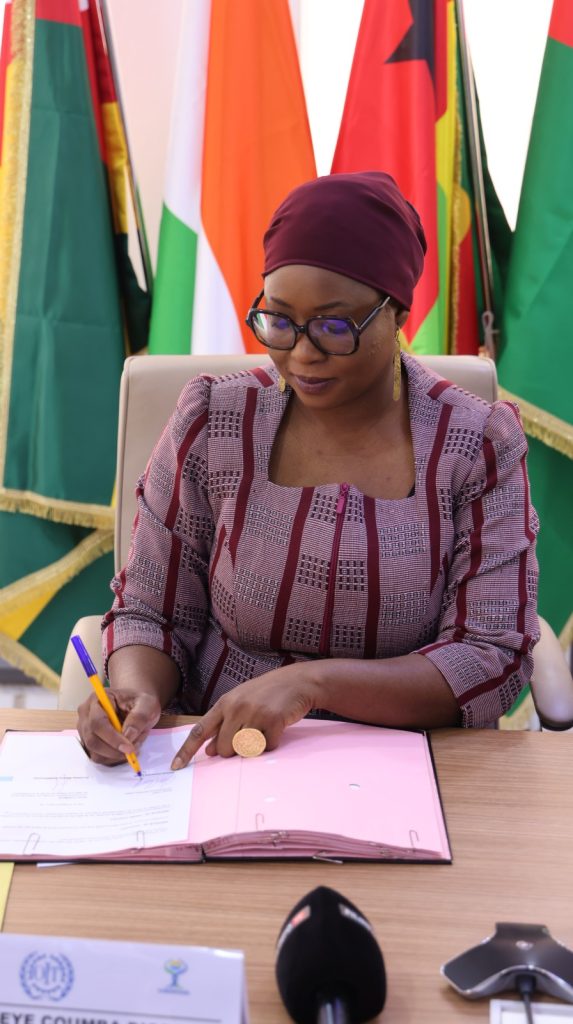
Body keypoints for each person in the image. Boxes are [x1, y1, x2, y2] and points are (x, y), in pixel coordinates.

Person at [78, 171, 540, 770]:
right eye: (278, 321)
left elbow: (490, 655)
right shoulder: (214, 420)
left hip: (407, 765)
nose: (301, 353)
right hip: (218, 762)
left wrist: (312, 685)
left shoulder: (476, 442)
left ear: (397, 311)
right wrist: (135, 692)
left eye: (333, 326)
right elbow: (154, 609)